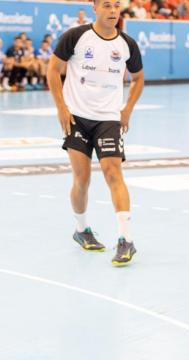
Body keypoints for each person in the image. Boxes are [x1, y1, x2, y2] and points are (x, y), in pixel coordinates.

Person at [47, 0, 144, 266]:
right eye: (106, 6)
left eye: (116, 6)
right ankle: (81, 230)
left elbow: (138, 78)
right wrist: (61, 108)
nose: (112, 11)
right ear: (95, 8)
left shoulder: (127, 44)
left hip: (109, 118)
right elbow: (53, 70)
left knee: (113, 171)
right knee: (82, 179)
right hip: (77, 117)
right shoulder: (76, 36)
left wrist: (127, 110)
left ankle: (126, 240)